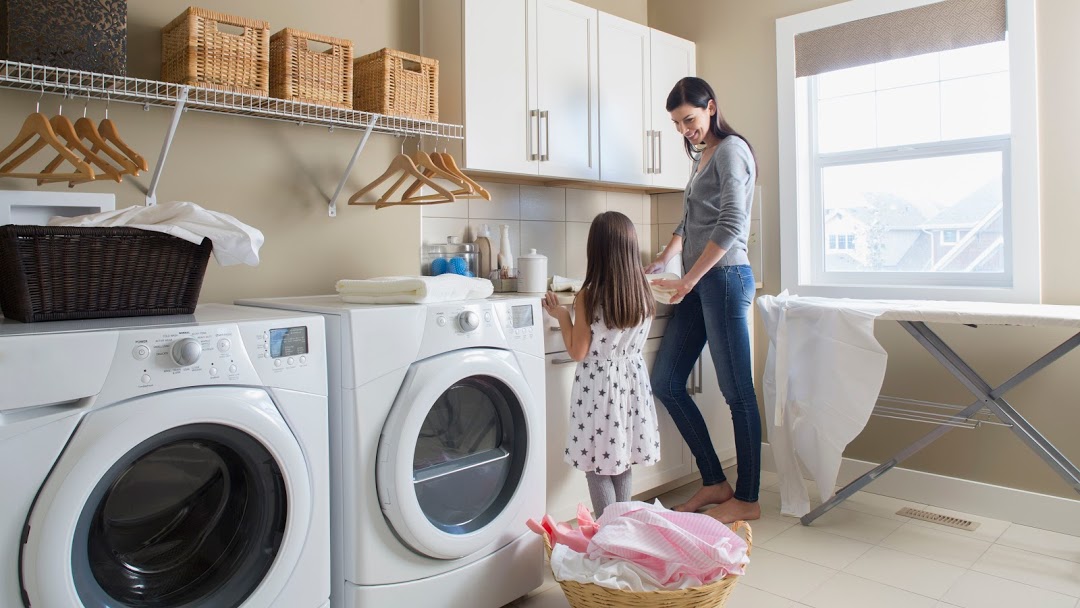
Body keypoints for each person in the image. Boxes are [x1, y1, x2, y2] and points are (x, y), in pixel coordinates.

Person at [645, 76, 761, 523]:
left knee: (738, 394)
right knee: (667, 382)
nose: (684, 130)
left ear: (710, 107)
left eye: (688, 120)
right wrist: (664, 259)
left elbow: (731, 223)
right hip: (697, 282)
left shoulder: (732, 151)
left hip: (725, 278)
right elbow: (691, 219)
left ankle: (747, 499)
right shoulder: (703, 156)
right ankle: (714, 481)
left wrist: (689, 280)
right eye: (677, 123)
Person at [542, 211, 660, 518]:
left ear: (595, 251)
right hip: (631, 386)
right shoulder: (644, 293)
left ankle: (612, 537)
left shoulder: (589, 297)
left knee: (596, 466)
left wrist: (563, 317)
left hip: (598, 391)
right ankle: (624, 532)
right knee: (621, 462)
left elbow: (578, 351)